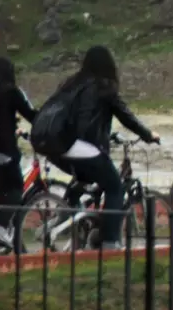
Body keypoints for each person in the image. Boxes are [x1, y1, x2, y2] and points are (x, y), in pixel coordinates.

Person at [47, 46, 160, 250]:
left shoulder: (73, 83)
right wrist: (148, 135)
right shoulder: (104, 86)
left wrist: (110, 135)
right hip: (83, 145)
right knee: (114, 186)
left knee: (84, 178)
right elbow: (126, 115)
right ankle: (110, 241)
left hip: (60, 144)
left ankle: (62, 217)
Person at [0, 56, 37, 248]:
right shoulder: (11, 91)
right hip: (3, 150)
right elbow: (31, 114)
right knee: (15, 186)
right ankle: (0, 228)